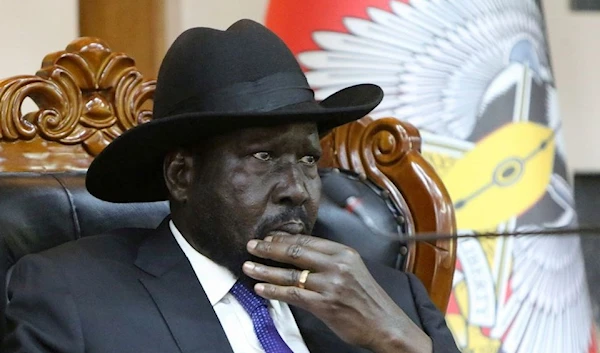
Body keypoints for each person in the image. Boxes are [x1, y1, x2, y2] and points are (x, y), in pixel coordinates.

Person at [2, 19, 459, 353]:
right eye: (263, 157)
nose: (297, 189)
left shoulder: (393, 300)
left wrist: (399, 341)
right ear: (182, 175)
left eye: (307, 159)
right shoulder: (72, 295)